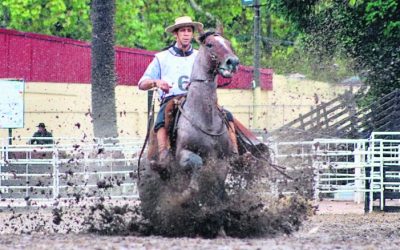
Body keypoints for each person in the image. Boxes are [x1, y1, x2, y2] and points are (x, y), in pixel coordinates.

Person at [138, 16, 238, 167]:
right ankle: (163, 155)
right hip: (172, 99)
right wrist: (156, 82)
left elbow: (216, 68)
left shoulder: (202, 54)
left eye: (189, 31)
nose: (186, 34)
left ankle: (235, 154)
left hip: (202, 100)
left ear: (192, 34)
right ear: (175, 34)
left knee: (227, 115)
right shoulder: (162, 58)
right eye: (182, 30)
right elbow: (142, 83)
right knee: (161, 119)